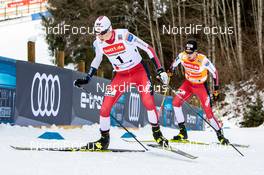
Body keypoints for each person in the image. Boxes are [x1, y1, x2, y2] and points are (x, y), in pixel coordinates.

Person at [74, 16, 169, 150]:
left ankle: (158, 134)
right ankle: (104, 140)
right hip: (121, 75)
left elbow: (149, 49)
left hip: (139, 72)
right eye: (96, 32)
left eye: (102, 33)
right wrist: (87, 77)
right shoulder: (98, 42)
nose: (99, 36)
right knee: (104, 108)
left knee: (148, 101)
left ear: (110, 29)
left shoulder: (124, 36)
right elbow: (97, 59)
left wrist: (160, 70)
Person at [170, 39, 229, 145]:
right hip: (187, 84)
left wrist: (216, 89)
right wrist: (170, 71)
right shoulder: (182, 56)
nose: (188, 56)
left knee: (208, 112)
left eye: (191, 53)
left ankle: (220, 135)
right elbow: (174, 65)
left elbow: (215, 72)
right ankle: (183, 133)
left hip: (200, 86)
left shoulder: (203, 60)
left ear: (196, 52)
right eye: (187, 53)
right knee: (175, 103)